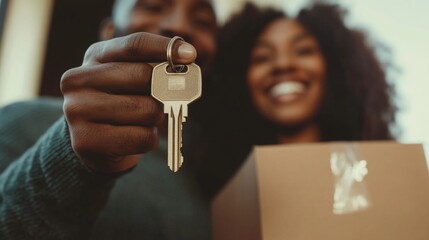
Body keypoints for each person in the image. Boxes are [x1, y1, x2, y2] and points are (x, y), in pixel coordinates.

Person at [0, 0, 217, 239]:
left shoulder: (206, 172)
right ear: (109, 32)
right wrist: (67, 156)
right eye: (153, 6)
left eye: (203, 22)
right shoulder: (23, 119)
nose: (180, 26)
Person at [194, 2, 398, 199]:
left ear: (337, 69)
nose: (283, 64)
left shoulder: (388, 179)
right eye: (262, 57)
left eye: (303, 50)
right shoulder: (219, 196)